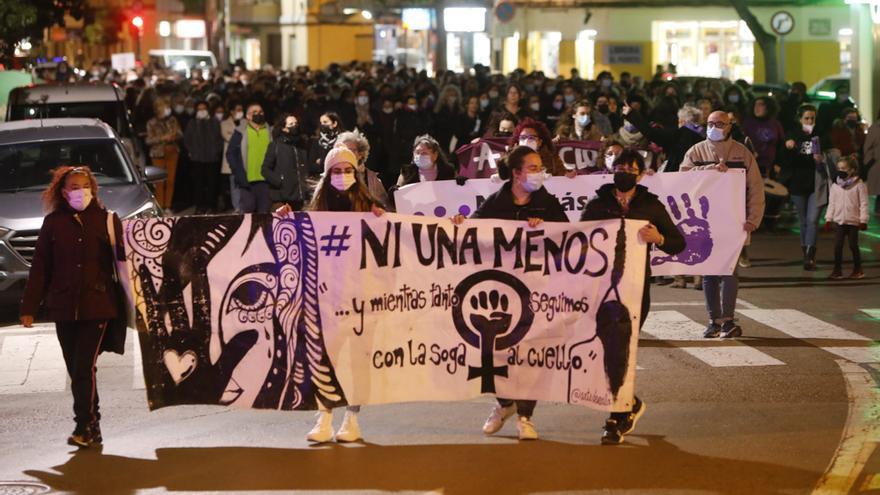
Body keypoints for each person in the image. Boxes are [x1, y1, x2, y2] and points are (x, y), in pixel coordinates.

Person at [452, 145, 568, 441]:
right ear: (516, 173)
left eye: (540, 167)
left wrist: (546, 227)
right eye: (532, 168)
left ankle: (526, 416)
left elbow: (567, 236)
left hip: (535, 292)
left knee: (531, 354)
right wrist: (460, 225)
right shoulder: (497, 201)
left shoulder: (547, 202)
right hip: (498, 292)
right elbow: (473, 228)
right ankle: (504, 403)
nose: (539, 173)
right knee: (492, 350)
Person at [580, 148, 685, 444]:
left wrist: (659, 239)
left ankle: (617, 417)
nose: (625, 169)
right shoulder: (599, 202)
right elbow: (575, 235)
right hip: (600, 290)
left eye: (631, 166)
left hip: (636, 291)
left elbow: (678, 242)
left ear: (640, 173)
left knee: (621, 353)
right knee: (601, 353)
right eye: (620, 165)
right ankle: (630, 403)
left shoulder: (651, 205)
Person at [19, 166, 126, 448]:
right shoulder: (54, 223)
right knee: (77, 369)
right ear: (64, 193)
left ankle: (86, 426)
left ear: (92, 188)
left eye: (84, 185)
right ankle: (93, 423)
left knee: (83, 368)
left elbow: (127, 263)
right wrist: (29, 307)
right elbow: (40, 268)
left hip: (99, 305)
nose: (80, 192)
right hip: (63, 307)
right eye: (74, 187)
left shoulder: (107, 221)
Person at [300, 147, 385, 443]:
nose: (342, 176)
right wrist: (284, 217)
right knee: (326, 358)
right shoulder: (317, 210)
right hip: (328, 298)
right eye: (336, 171)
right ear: (327, 175)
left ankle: (352, 418)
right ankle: (324, 417)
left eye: (347, 170)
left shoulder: (370, 207)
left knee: (358, 359)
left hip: (363, 298)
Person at [680, 110, 765, 338]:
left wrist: (753, 218)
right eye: (710, 123)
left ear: (729, 126)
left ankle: (727, 320)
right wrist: (707, 170)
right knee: (709, 273)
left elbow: (755, 188)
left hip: (733, 224)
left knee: (729, 272)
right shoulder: (695, 152)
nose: (714, 127)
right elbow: (682, 178)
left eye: (719, 123)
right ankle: (713, 321)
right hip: (704, 223)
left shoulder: (742, 153)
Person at [781, 104, 824, 270]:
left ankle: (810, 257)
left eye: (812, 118)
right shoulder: (792, 135)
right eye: (806, 118)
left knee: (813, 220)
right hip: (798, 183)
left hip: (816, 183)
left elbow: (831, 154)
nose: (810, 121)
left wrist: (822, 158)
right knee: (804, 220)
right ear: (800, 119)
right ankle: (805, 253)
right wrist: (788, 147)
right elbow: (784, 160)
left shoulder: (821, 135)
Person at [825, 156, 869, 280]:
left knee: (853, 246)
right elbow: (832, 203)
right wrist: (828, 218)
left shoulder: (859, 185)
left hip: (853, 221)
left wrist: (863, 220)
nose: (840, 170)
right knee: (837, 246)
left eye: (844, 168)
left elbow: (864, 203)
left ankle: (858, 269)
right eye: (839, 168)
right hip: (839, 221)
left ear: (852, 170)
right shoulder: (835, 186)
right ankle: (837, 270)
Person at [227, 103, 273, 213]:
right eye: (254, 112)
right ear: (248, 116)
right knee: (248, 215)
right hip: (247, 182)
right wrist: (238, 173)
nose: (258, 114)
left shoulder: (270, 132)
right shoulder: (240, 132)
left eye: (260, 112)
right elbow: (230, 153)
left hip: (266, 181)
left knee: (265, 215)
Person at [261, 114, 311, 211]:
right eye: (291, 124)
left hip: (300, 198)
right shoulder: (275, 145)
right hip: (282, 199)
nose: (295, 125)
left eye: (296, 123)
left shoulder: (302, 145)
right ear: (284, 128)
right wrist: (280, 181)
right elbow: (265, 170)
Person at [183, 100, 224, 214]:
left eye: (204, 109)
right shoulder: (192, 123)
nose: (202, 111)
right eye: (199, 109)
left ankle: (211, 205)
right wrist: (192, 151)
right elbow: (187, 139)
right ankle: (199, 206)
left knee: (212, 183)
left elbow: (219, 139)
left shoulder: (214, 122)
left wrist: (216, 151)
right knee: (198, 184)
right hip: (197, 158)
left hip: (212, 158)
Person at [335, 130, 390, 208]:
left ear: (360, 154)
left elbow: (385, 207)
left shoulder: (372, 179)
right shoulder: (332, 174)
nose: (346, 153)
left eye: (350, 150)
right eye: (343, 150)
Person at [146, 98, 182, 210]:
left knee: (170, 180)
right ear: (158, 108)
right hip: (158, 153)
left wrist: (174, 136)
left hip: (172, 151)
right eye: (165, 107)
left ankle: (168, 206)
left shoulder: (172, 120)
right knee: (159, 181)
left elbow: (180, 134)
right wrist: (162, 138)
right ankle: (160, 206)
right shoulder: (151, 123)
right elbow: (148, 140)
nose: (168, 109)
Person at [220, 102, 245, 212]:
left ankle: (244, 205)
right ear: (232, 111)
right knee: (234, 183)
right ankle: (237, 207)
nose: (240, 112)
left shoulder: (246, 122)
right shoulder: (224, 124)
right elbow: (229, 138)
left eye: (241, 109)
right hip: (232, 158)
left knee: (243, 183)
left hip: (244, 158)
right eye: (238, 109)